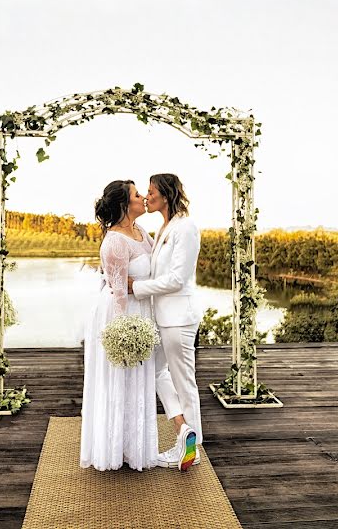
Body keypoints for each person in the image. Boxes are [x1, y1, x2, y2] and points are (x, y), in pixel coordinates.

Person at [80, 180, 159, 471]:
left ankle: (134, 447)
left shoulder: (142, 233)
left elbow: (147, 275)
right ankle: (113, 449)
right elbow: (117, 291)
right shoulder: (114, 240)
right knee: (118, 377)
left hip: (141, 310)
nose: (143, 198)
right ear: (126, 204)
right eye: (137, 194)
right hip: (120, 314)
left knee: (136, 381)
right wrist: (124, 332)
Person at [128, 173, 203, 471]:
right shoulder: (164, 228)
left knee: (185, 382)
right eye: (145, 192)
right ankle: (184, 431)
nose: (147, 197)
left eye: (151, 192)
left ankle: (192, 450)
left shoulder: (186, 228)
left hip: (178, 320)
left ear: (167, 194)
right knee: (160, 375)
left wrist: (137, 288)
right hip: (161, 319)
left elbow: (176, 279)